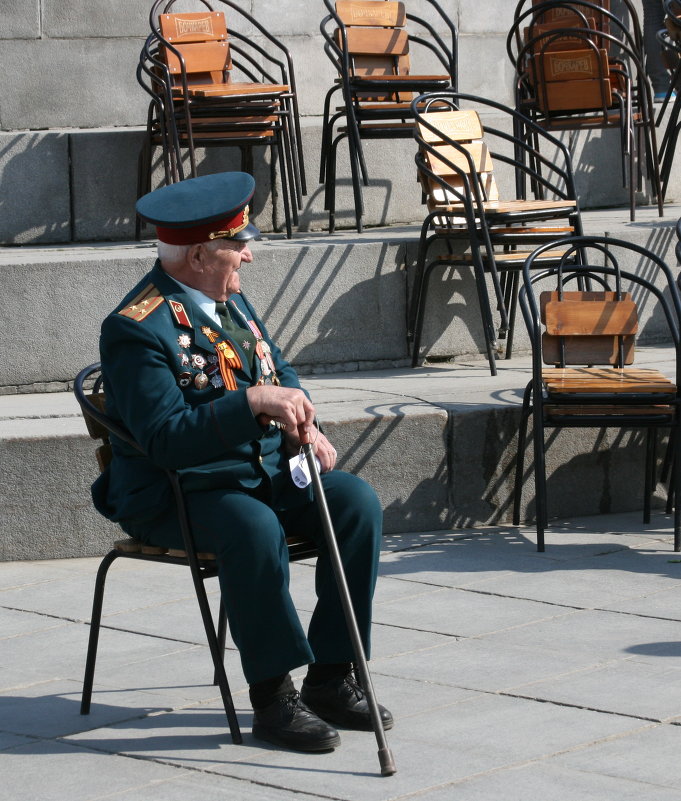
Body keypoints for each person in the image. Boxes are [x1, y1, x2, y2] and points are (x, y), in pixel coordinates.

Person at [91, 171, 392, 752]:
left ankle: (331, 676)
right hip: (178, 491)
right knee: (252, 527)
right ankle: (274, 697)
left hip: (258, 474)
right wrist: (252, 403)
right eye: (238, 244)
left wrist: (304, 420)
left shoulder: (229, 300)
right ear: (201, 254)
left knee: (355, 501)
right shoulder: (135, 329)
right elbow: (165, 439)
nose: (249, 256)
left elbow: (277, 370)